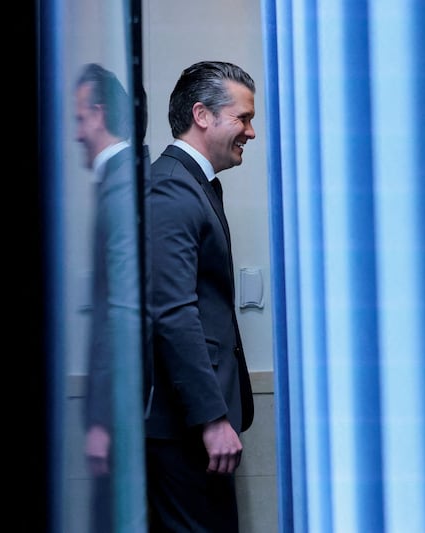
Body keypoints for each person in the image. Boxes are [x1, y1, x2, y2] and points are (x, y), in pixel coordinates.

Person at [143, 60, 256, 532]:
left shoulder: (192, 183)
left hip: (190, 426)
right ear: (202, 115)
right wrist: (211, 419)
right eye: (243, 118)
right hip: (184, 428)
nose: (251, 132)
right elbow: (172, 312)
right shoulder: (172, 186)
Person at [74, 62, 150, 533]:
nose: (76, 133)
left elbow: (119, 310)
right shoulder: (124, 179)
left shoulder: (121, 185)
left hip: (120, 415)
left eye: (80, 119)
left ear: (99, 115)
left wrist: (101, 420)